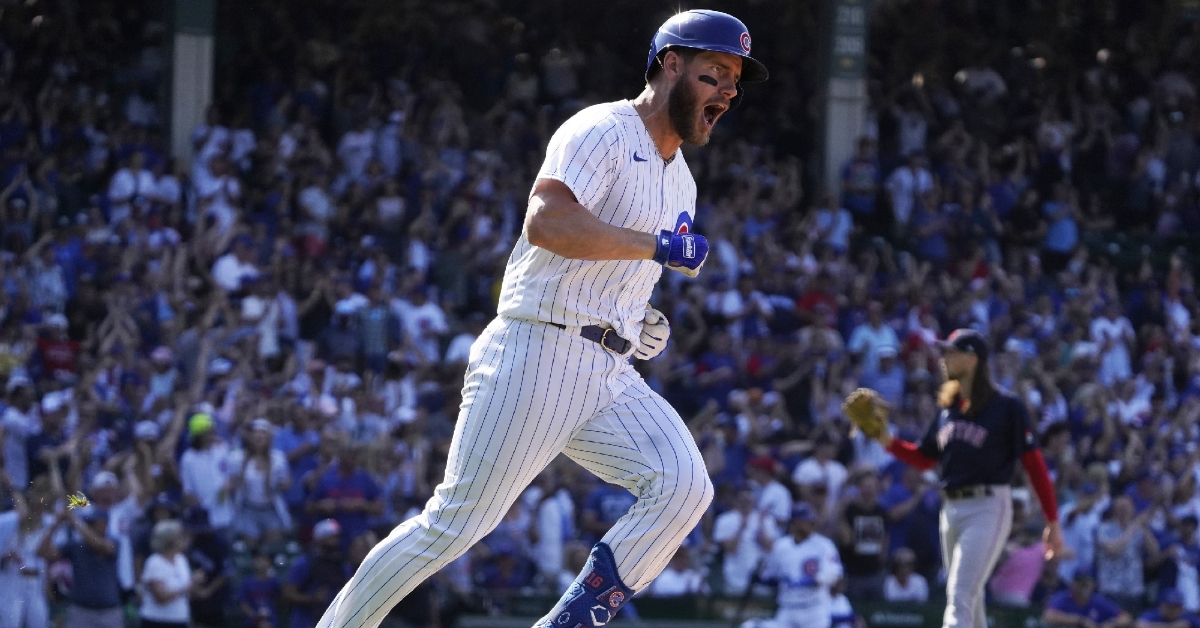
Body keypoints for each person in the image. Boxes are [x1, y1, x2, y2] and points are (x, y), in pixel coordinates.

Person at [314, 10, 767, 628]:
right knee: (454, 524)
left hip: (609, 369)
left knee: (685, 486)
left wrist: (643, 320)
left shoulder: (682, 181)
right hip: (539, 349)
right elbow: (547, 223)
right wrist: (656, 246)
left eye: (735, 81)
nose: (728, 91)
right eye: (715, 74)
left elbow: (614, 264)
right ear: (670, 65)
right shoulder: (603, 129)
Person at [861, 328, 1063, 628]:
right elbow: (925, 457)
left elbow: (1034, 465)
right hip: (951, 509)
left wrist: (1052, 522)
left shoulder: (1007, 407)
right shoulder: (948, 409)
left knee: (960, 593)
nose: (943, 358)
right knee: (970, 596)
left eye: (951, 353)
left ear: (971, 360)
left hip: (988, 507)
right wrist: (885, 439)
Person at [740, 503, 843, 628]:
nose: (811, 524)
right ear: (794, 523)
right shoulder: (781, 546)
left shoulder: (824, 545)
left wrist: (814, 579)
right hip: (787, 609)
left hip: (814, 609)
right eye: (806, 521)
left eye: (811, 521)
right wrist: (761, 578)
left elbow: (834, 572)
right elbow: (771, 573)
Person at [38, 506, 124, 628]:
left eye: (94, 523)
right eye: (88, 523)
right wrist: (57, 523)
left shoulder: (113, 542)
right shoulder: (76, 546)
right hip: (80, 611)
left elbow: (99, 546)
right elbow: (42, 552)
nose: (90, 526)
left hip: (109, 612)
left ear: (105, 524)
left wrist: (74, 521)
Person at [285, 519, 350, 628]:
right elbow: (288, 594)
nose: (336, 541)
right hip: (305, 622)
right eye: (331, 537)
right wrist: (312, 599)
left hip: (334, 622)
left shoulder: (341, 563)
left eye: (337, 537)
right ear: (320, 538)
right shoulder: (304, 562)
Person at [139, 519, 204, 628]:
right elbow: (161, 598)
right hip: (157, 622)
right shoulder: (155, 562)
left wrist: (195, 583)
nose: (185, 538)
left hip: (180, 620)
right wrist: (189, 585)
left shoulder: (181, 560)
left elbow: (187, 593)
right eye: (180, 535)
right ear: (168, 540)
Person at [1043, 568, 1132, 628]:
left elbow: (1126, 618)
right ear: (1073, 583)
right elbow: (1049, 616)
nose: (1083, 586)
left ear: (1093, 584)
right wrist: (1080, 620)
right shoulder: (1063, 597)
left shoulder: (1098, 600)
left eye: (1086, 583)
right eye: (1080, 582)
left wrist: (1110, 624)